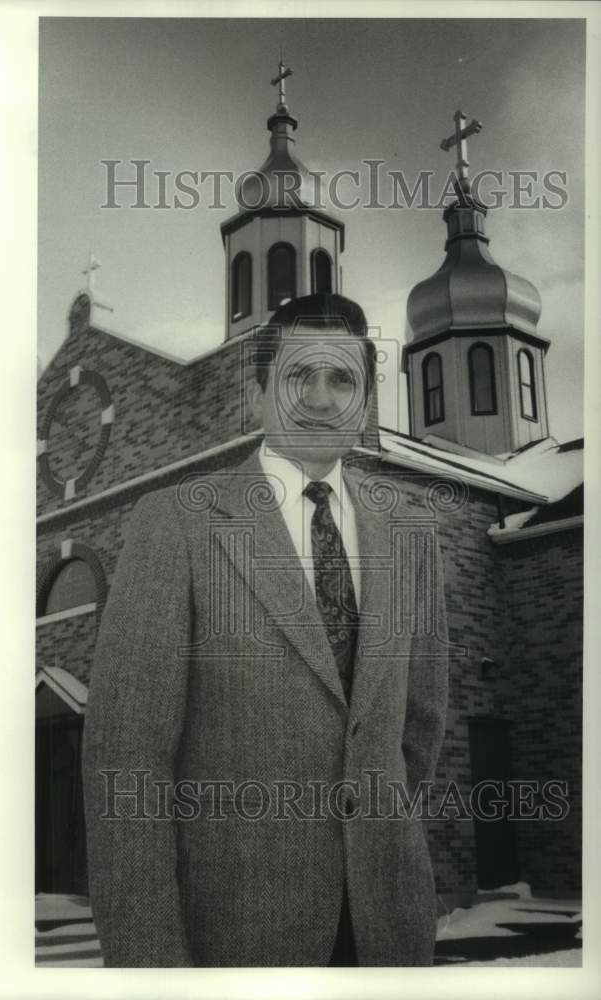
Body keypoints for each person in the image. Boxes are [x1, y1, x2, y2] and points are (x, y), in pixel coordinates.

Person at [82, 293, 449, 967]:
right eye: (296, 376)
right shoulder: (177, 523)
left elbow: (415, 734)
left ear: (365, 400)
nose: (319, 397)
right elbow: (127, 766)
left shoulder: (410, 534)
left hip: (387, 936)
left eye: (342, 379)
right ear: (259, 390)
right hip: (234, 942)